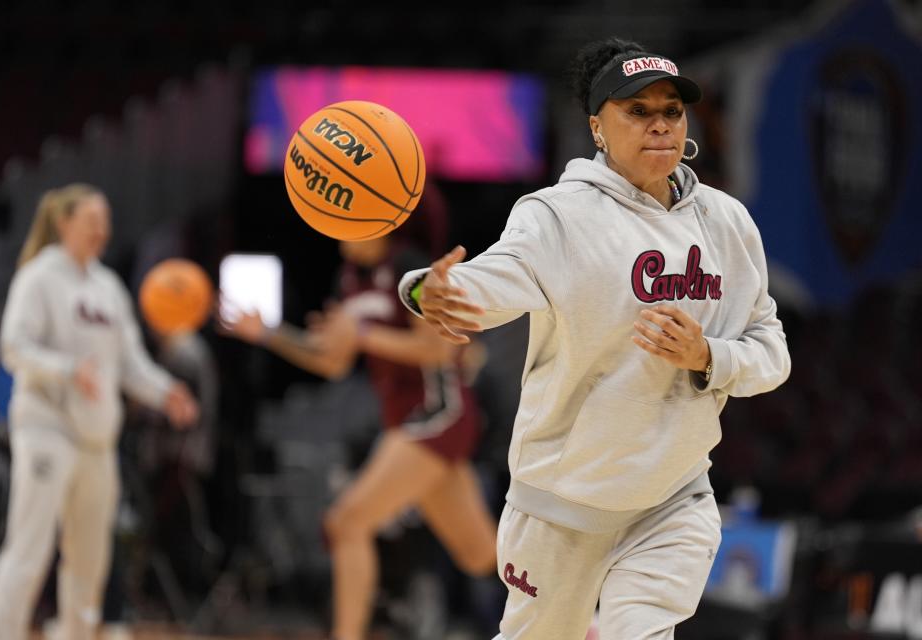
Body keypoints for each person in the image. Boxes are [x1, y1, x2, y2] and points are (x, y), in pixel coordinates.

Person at [398, 37, 792, 639]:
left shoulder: (727, 222)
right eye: (638, 111)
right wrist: (430, 291)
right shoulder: (556, 216)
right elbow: (488, 281)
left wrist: (708, 355)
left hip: (672, 499)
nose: (659, 124)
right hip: (559, 505)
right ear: (597, 127)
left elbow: (772, 352)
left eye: (671, 110)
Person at [219, 200, 498, 640]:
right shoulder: (350, 280)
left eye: (345, 221)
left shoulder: (411, 267)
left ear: (377, 226)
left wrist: (363, 334)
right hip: (410, 422)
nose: (335, 229)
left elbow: (437, 350)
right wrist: (269, 334)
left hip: (438, 414)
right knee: (482, 555)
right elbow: (331, 361)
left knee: (346, 522)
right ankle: (584, 619)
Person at [0, 183, 199, 640]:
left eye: (106, 221)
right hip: (47, 429)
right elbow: (13, 348)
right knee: (30, 548)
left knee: (90, 559)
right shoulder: (38, 277)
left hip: (97, 440)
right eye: (91, 220)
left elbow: (129, 362)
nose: (101, 230)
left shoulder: (108, 286)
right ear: (65, 223)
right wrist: (66, 369)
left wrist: (166, 392)